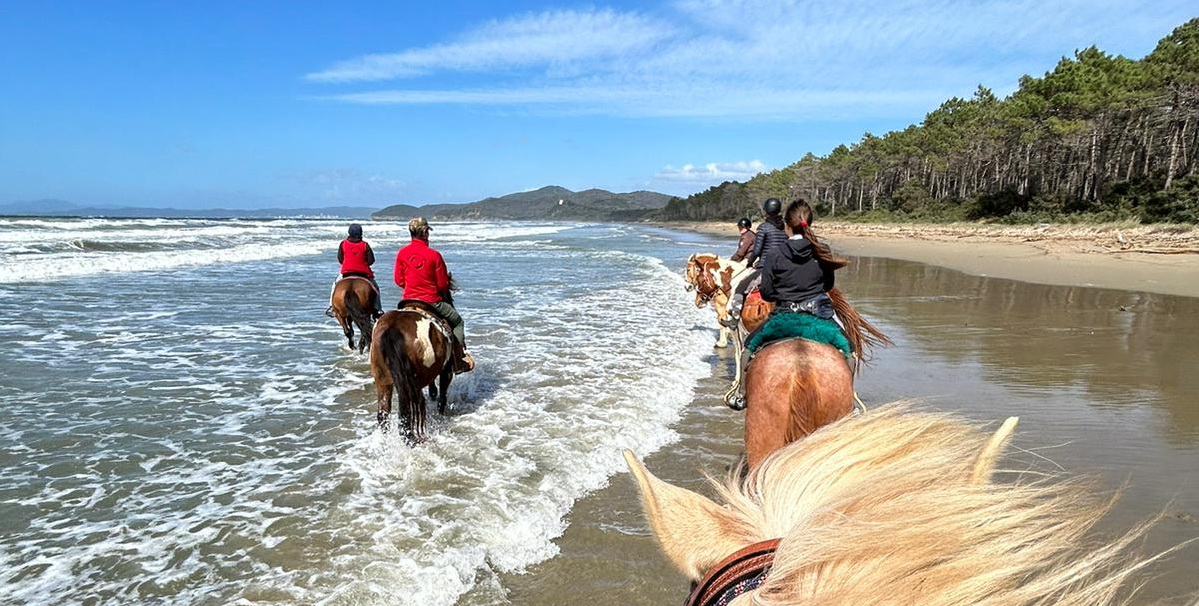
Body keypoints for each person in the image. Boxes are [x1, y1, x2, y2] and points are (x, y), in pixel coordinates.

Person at [394, 217, 474, 373]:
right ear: (425, 232)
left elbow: (398, 280)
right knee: (458, 322)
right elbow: (442, 285)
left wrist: (412, 286)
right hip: (431, 301)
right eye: (427, 232)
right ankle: (458, 361)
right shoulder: (434, 255)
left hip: (408, 300)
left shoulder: (402, 253)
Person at [722, 198, 788, 327]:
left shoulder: (763, 227)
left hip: (766, 268)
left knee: (740, 288)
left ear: (766, 211)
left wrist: (749, 263)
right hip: (784, 268)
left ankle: (734, 320)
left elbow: (757, 251)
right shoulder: (785, 227)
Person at [334, 223, 383, 318]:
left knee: (335, 286)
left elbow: (340, 259)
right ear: (360, 233)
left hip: (346, 273)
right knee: (376, 288)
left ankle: (332, 307)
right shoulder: (365, 245)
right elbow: (371, 261)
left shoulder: (343, 244)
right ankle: (378, 309)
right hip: (363, 274)